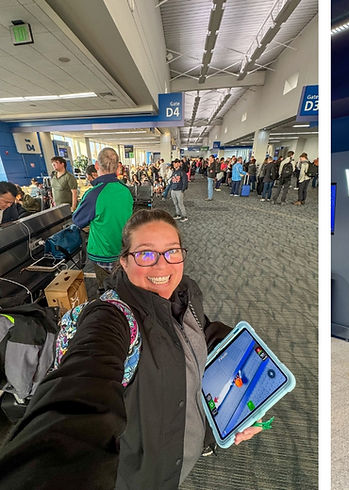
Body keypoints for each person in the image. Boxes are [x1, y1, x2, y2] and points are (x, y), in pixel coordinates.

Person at [0, 209, 261, 488]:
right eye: (146, 254)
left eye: (172, 251)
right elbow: (80, 389)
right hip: (146, 477)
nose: (162, 267)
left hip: (185, 449)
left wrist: (230, 345)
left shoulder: (185, 291)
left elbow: (198, 330)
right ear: (124, 261)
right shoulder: (111, 317)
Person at [73, 147, 134, 290]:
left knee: (106, 288)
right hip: (123, 250)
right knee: (124, 286)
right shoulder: (125, 191)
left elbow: (77, 220)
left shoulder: (93, 194)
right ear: (117, 166)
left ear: (96, 165)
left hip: (102, 254)